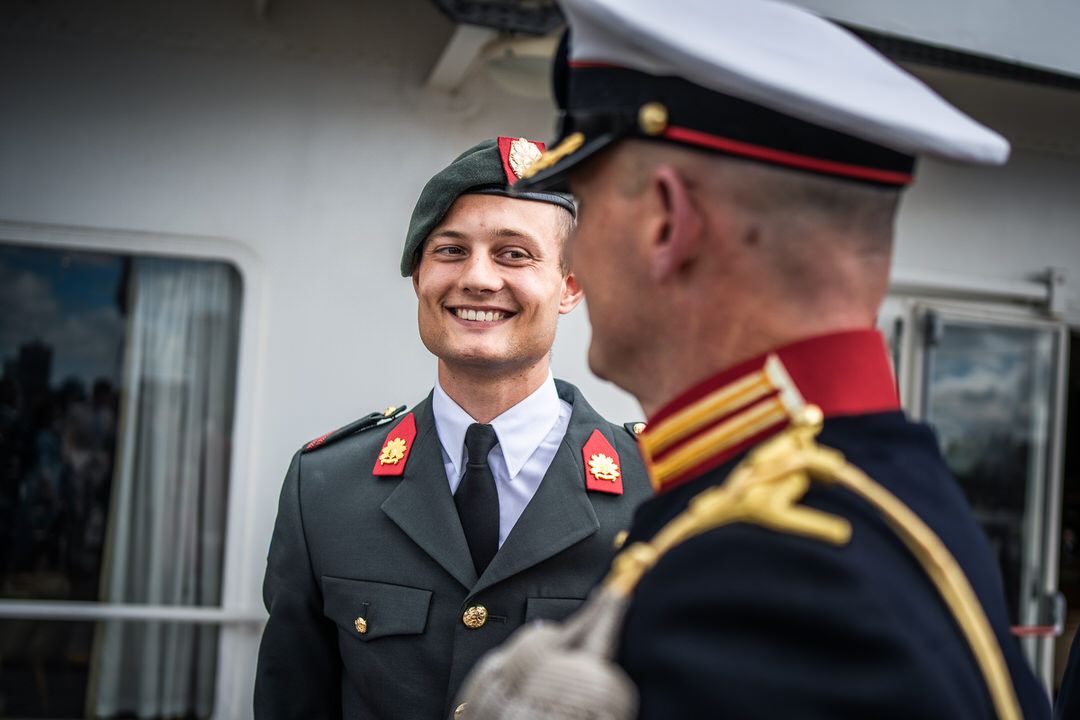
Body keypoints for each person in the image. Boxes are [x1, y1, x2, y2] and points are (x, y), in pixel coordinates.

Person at [454, 1, 1053, 718]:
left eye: (584, 205)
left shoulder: (761, 575)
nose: (575, 254)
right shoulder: (883, 493)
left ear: (667, 223)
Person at [253, 136, 652, 719]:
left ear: (570, 285)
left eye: (514, 254)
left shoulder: (657, 488)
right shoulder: (324, 489)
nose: (479, 279)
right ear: (418, 274)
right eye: (450, 250)